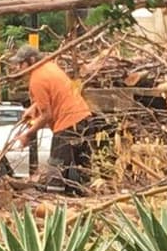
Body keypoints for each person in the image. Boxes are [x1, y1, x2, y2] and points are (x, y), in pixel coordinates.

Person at [9, 44, 100, 195]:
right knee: (79, 169)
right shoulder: (50, 67)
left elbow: (47, 116)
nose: (18, 67)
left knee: (56, 168)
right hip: (83, 118)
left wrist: (27, 135)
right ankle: (83, 199)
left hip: (67, 124)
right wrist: (34, 108)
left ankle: (53, 203)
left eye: (21, 63)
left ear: (31, 60)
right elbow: (55, 94)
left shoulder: (36, 79)